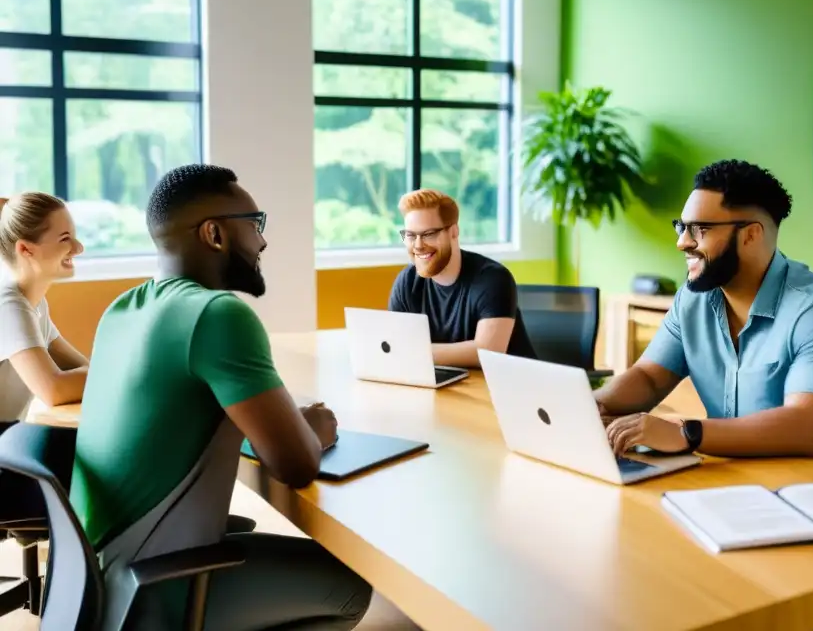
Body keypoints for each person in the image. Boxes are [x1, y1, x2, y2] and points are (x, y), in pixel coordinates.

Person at [70, 164, 371, 630]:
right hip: (155, 591)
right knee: (354, 587)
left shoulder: (122, 309)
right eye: (255, 223)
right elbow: (297, 465)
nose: (263, 241)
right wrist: (316, 428)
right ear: (214, 233)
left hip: (92, 583)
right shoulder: (217, 313)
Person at [596, 160, 813, 469]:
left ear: (751, 235)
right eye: (682, 226)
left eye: (700, 229)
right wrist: (596, 404)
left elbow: (806, 426)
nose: (682, 242)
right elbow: (649, 379)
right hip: (738, 478)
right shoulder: (693, 300)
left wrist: (686, 432)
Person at [387, 189, 536, 368]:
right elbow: (395, 347)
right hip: (449, 385)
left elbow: (488, 352)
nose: (418, 245)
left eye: (429, 234)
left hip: (511, 387)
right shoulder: (407, 282)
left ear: (454, 232)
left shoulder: (493, 279)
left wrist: (411, 351)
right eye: (410, 235)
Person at [0, 193, 88, 423]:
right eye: (65, 238)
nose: (78, 248)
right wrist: (121, 373)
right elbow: (53, 389)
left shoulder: (35, 304)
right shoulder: (8, 305)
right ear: (26, 250)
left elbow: (82, 368)